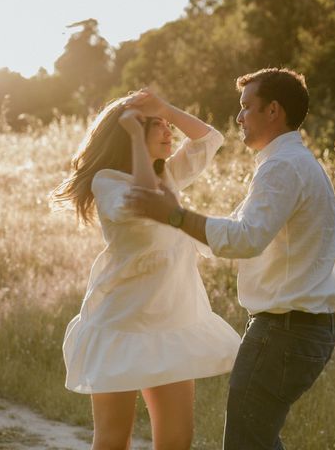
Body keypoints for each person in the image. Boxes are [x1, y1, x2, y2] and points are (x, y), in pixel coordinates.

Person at [126, 68, 335, 450]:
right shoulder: (291, 162)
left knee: (247, 444)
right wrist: (176, 216)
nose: (239, 117)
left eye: (246, 107)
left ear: (273, 110)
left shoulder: (282, 167)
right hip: (297, 330)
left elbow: (245, 240)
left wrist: (174, 216)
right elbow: (235, 234)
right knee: (258, 441)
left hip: (284, 333)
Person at [51, 94, 240, 450]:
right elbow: (144, 199)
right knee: (112, 440)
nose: (170, 132)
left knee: (176, 441)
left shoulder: (165, 173)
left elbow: (209, 139)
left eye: (168, 125)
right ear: (131, 134)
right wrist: (137, 137)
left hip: (171, 323)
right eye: (159, 126)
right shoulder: (107, 182)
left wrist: (164, 109)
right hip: (122, 323)